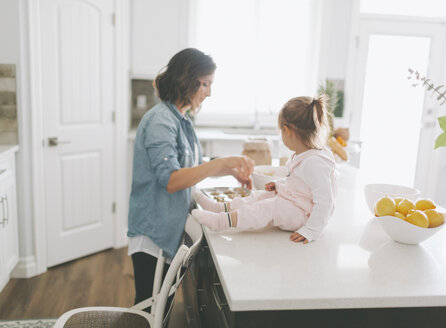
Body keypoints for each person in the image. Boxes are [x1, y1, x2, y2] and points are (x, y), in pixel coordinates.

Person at [127, 48, 255, 306]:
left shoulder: (181, 120)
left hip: (167, 226)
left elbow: (193, 167)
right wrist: (221, 162)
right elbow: (172, 180)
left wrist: (231, 168)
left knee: (159, 308)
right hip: (153, 232)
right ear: (187, 80)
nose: (209, 92)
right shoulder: (161, 121)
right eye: (205, 84)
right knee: (148, 307)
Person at [192, 95, 336, 243]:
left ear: (287, 131)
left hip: (305, 216)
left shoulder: (314, 163)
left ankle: (222, 222)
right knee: (260, 196)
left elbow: (325, 202)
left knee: (268, 207)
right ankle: (221, 208)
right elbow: (301, 186)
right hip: (298, 205)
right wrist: (279, 185)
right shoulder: (304, 155)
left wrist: (311, 230)